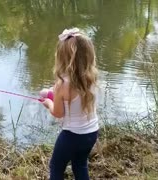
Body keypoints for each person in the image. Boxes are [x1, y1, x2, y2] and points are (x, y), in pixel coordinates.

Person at [41, 28, 99, 180]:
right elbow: (75, 101)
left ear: (62, 58)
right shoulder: (92, 78)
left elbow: (58, 113)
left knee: (56, 167)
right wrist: (53, 93)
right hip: (91, 132)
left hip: (71, 136)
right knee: (80, 164)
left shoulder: (62, 85)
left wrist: (48, 102)